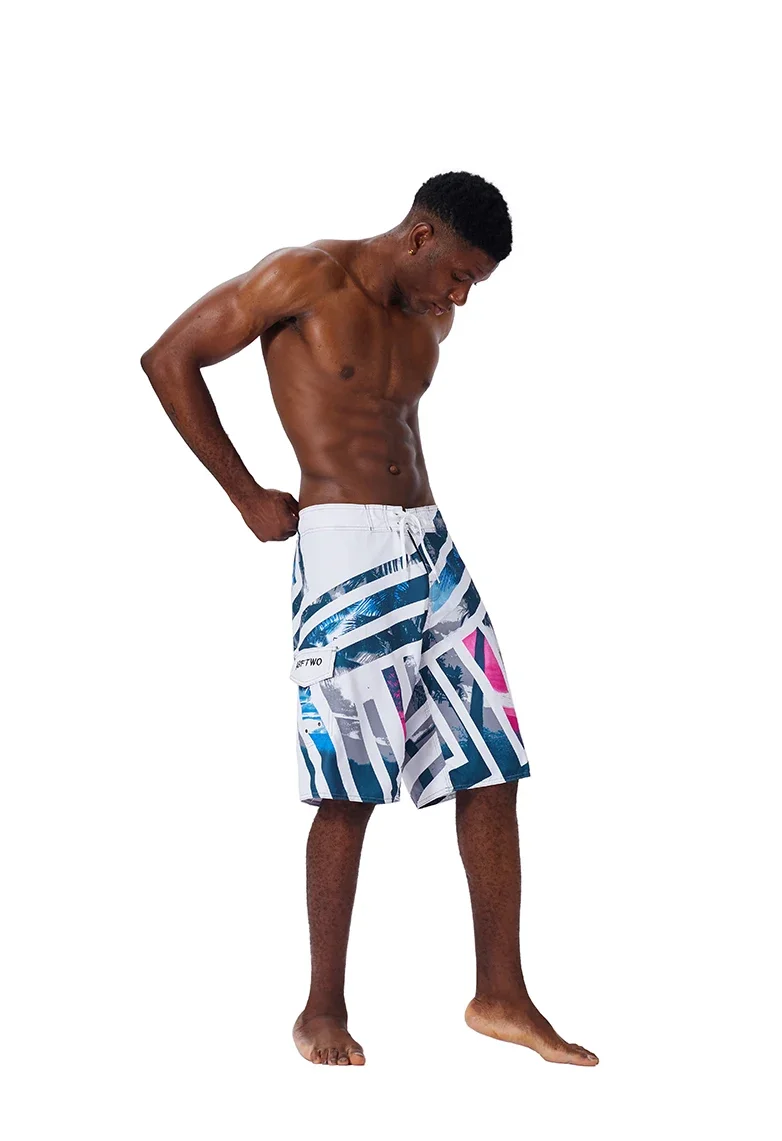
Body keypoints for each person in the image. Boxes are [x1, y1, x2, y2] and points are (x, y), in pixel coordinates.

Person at [141, 171, 598, 1068]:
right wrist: (244, 495)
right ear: (420, 235)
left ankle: (500, 994)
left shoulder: (432, 315)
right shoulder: (303, 276)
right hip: (344, 553)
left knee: (493, 761)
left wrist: (446, 301)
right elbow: (169, 358)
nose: (460, 299)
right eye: (459, 276)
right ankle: (321, 1008)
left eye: (475, 285)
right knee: (348, 784)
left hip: (431, 545)